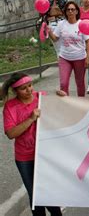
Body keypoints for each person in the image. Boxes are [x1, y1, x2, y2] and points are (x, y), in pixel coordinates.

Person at [2, 73, 63, 216]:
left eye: (30, 85)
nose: (29, 90)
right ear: (15, 91)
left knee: (48, 191)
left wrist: (63, 99)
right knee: (35, 194)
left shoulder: (41, 97)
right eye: (23, 88)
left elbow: (59, 114)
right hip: (25, 157)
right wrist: (31, 119)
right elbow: (11, 133)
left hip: (45, 153)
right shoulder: (10, 107)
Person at [48, 1, 89, 97]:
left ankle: (81, 102)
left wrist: (88, 57)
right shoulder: (61, 24)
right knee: (63, 83)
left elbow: (88, 41)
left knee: (80, 83)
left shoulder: (82, 24)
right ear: (66, 12)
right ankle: (65, 104)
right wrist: (49, 31)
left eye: (73, 9)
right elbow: (55, 38)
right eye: (68, 9)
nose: (70, 11)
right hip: (64, 58)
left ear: (76, 11)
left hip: (79, 58)